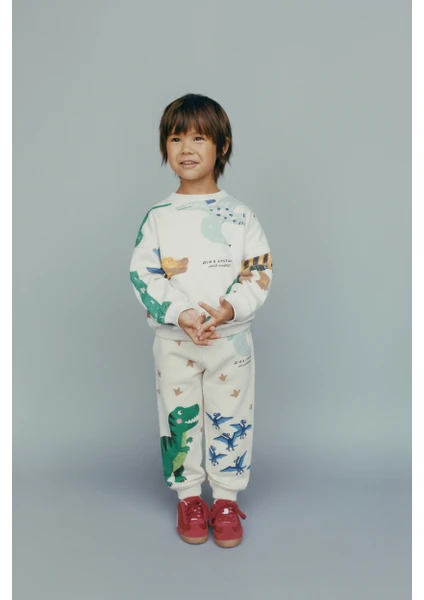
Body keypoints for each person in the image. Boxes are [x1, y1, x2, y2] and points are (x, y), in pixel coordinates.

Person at [129, 93, 273, 548]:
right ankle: (189, 498)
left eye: (198, 138)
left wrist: (230, 309)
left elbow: (259, 271)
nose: (186, 148)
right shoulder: (158, 217)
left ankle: (225, 500)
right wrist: (182, 313)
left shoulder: (241, 216)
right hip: (175, 341)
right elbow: (143, 274)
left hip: (231, 342)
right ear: (164, 147)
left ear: (222, 146)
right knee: (179, 421)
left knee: (232, 417)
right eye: (176, 138)